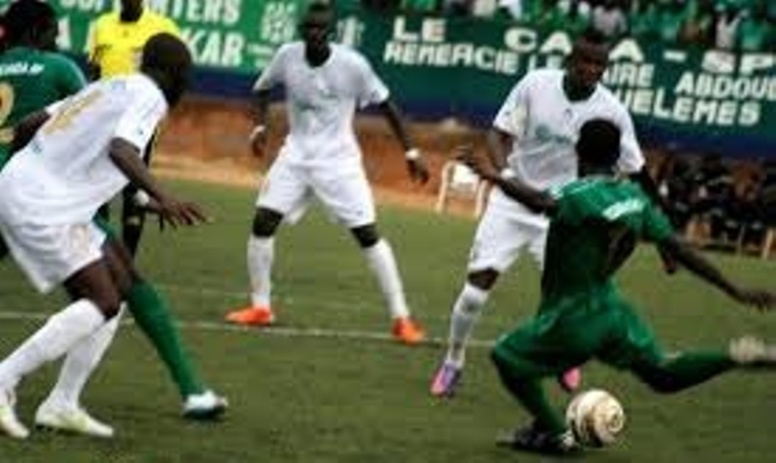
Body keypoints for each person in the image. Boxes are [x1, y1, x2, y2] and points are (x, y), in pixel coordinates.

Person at [457, 118, 776, 455]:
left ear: (578, 151)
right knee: (663, 375)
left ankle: (558, 436)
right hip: (612, 311)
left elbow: (540, 202)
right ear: (616, 158)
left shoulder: (578, 195)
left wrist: (493, 177)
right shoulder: (635, 197)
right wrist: (734, 289)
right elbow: (679, 248)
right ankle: (734, 356)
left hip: (573, 316)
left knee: (506, 356)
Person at [0, 1, 225, 439]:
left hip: (33, 192)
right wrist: (166, 196)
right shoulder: (151, 97)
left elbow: (30, 124)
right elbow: (123, 150)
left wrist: (36, 168)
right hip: (43, 204)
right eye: (186, 77)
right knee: (102, 299)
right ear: (176, 76)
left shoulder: (111, 84)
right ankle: (4, 378)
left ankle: (62, 403)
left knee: (119, 283)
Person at [430, 29, 674, 397]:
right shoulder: (535, 85)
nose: (591, 70)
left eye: (600, 65)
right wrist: (508, 177)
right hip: (512, 202)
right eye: (585, 62)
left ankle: (566, 361)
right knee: (475, 292)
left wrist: (665, 240)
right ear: (569, 61)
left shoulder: (613, 112)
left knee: (570, 301)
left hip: (565, 213)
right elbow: (498, 135)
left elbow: (638, 172)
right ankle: (453, 361)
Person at [224, 1, 430, 344]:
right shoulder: (287, 56)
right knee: (263, 221)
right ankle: (261, 307)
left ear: (331, 34)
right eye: (310, 29)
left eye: (321, 30)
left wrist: (411, 152)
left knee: (367, 234)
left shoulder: (353, 65)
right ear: (302, 32)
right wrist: (259, 128)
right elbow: (261, 89)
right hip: (296, 156)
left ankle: (402, 318)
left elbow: (387, 105)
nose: (315, 35)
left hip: (339, 163)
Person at [88, 0, 180, 257]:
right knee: (97, 192)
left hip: (139, 124)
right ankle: (98, 254)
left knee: (133, 189)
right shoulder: (102, 25)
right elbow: (94, 72)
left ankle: (126, 262)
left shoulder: (163, 27)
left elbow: (174, 73)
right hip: (101, 120)